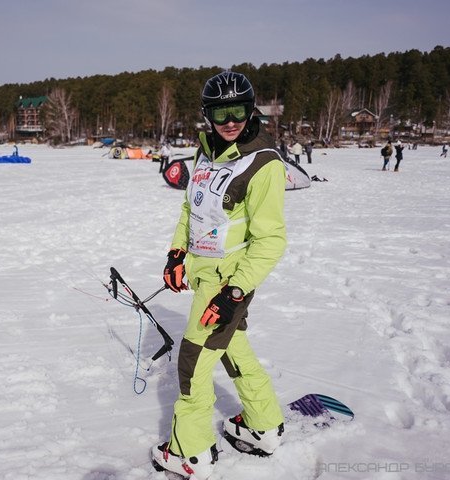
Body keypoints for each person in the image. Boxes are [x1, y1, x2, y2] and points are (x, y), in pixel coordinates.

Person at [151, 71, 287, 479]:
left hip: (228, 282)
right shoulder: (205, 152)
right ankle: (263, 425)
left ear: (251, 110)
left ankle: (189, 452)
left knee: (193, 363)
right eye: (221, 113)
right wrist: (177, 254)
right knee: (233, 348)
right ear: (207, 115)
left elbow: (270, 241)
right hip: (203, 274)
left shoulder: (263, 163)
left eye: (239, 111)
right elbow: (190, 210)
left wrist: (234, 294)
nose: (231, 121)